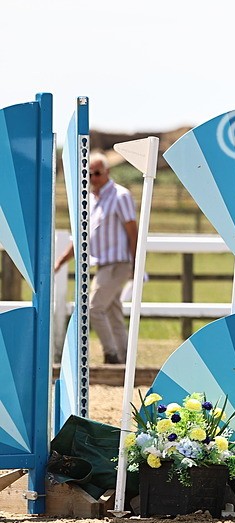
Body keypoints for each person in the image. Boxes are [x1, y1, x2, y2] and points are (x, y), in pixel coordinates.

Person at [54, 153, 138, 364]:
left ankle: (111, 354)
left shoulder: (121, 195)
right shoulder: (89, 200)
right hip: (103, 264)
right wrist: (61, 261)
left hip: (119, 262)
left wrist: (136, 263)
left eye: (97, 173)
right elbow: (83, 236)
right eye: (89, 174)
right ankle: (124, 359)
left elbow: (132, 232)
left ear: (107, 172)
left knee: (94, 308)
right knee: (112, 311)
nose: (93, 177)